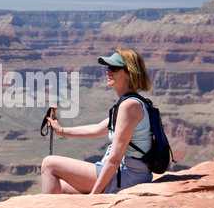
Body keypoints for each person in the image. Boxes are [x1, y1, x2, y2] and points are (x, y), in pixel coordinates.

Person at [41, 48, 153, 194]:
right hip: (123, 174)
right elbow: (97, 129)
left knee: (49, 164)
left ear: (129, 74)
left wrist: (94, 196)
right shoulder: (132, 103)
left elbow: (115, 159)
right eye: (108, 67)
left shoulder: (129, 106)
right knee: (60, 186)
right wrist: (60, 130)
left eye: (114, 68)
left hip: (126, 178)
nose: (108, 71)